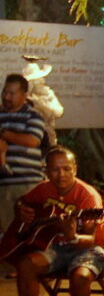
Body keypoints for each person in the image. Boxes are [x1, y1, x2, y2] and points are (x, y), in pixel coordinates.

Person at [5, 147, 104, 296]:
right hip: (55, 246)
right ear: (47, 171)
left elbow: (90, 239)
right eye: (54, 170)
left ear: (75, 169)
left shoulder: (88, 196)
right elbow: (22, 201)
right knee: (26, 264)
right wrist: (21, 210)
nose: (60, 174)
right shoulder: (43, 189)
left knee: (80, 277)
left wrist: (72, 235)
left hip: (92, 248)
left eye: (66, 168)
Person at [0, 74, 47, 236]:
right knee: (6, 234)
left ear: (24, 95)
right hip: (3, 183)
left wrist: (2, 133)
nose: (6, 97)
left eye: (11, 93)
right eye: (4, 92)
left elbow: (32, 141)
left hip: (27, 185)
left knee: (29, 232)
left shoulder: (33, 115)